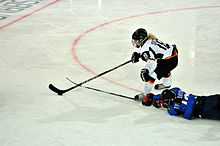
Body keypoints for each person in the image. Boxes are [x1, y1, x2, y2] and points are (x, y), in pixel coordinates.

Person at [131, 28, 178, 100]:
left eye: (136, 40)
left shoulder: (146, 49)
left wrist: (146, 70)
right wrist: (139, 55)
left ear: (141, 40)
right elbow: (152, 50)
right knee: (164, 71)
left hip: (169, 61)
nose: (135, 42)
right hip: (173, 56)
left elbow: (152, 62)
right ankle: (167, 84)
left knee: (151, 75)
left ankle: (145, 95)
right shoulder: (150, 39)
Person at [142, 87, 220, 120]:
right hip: (202, 100)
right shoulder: (175, 90)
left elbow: (187, 115)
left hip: (201, 109)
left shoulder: (171, 108)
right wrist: (153, 97)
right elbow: (167, 93)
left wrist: (153, 98)